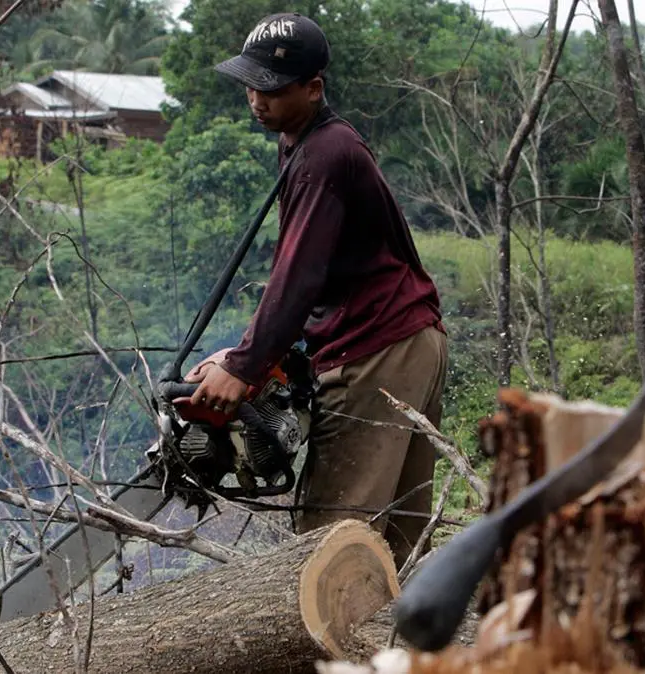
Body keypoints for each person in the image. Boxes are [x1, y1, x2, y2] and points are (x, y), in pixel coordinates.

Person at [182, 12, 449, 568]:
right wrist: (240, 355)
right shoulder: (303, 143)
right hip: (407, 337)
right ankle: (395, 648)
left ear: (313, 88)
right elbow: (318, 273)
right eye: (251, 85)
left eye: (273, 89)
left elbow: (298, 276)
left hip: (378, 348)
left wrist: (246, 367)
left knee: (329, 540)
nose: (258, 99)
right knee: (396, 536)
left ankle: (332, 652)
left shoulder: (325, 155)